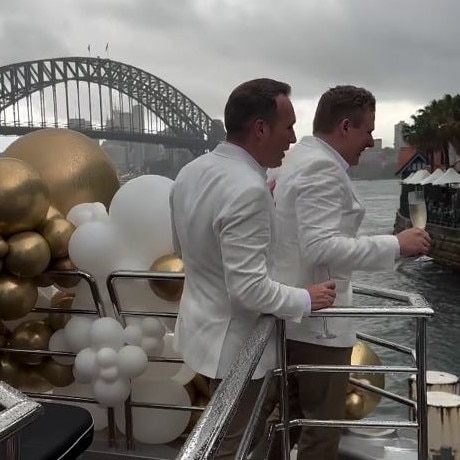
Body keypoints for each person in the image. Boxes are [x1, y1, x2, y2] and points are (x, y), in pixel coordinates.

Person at [170, 78, 336, 459]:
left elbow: (181, 248)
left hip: (200, 334)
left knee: (219, 433)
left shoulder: (190, 173)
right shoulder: (247, 188)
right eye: (288, 126)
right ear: (261, 128)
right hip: (235, 349)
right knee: (234, 444)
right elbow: (247, 290)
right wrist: (305, 298)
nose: (293, 138)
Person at [271, 85, 431, 460]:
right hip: (319, 326)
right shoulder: (321, 169)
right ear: (345, 126)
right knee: (321, 431)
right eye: (367, 130)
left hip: (297, 316)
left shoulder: (298, 160)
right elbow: (320, 246)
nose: (372, 141)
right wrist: (395, 245)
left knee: (286, 422)